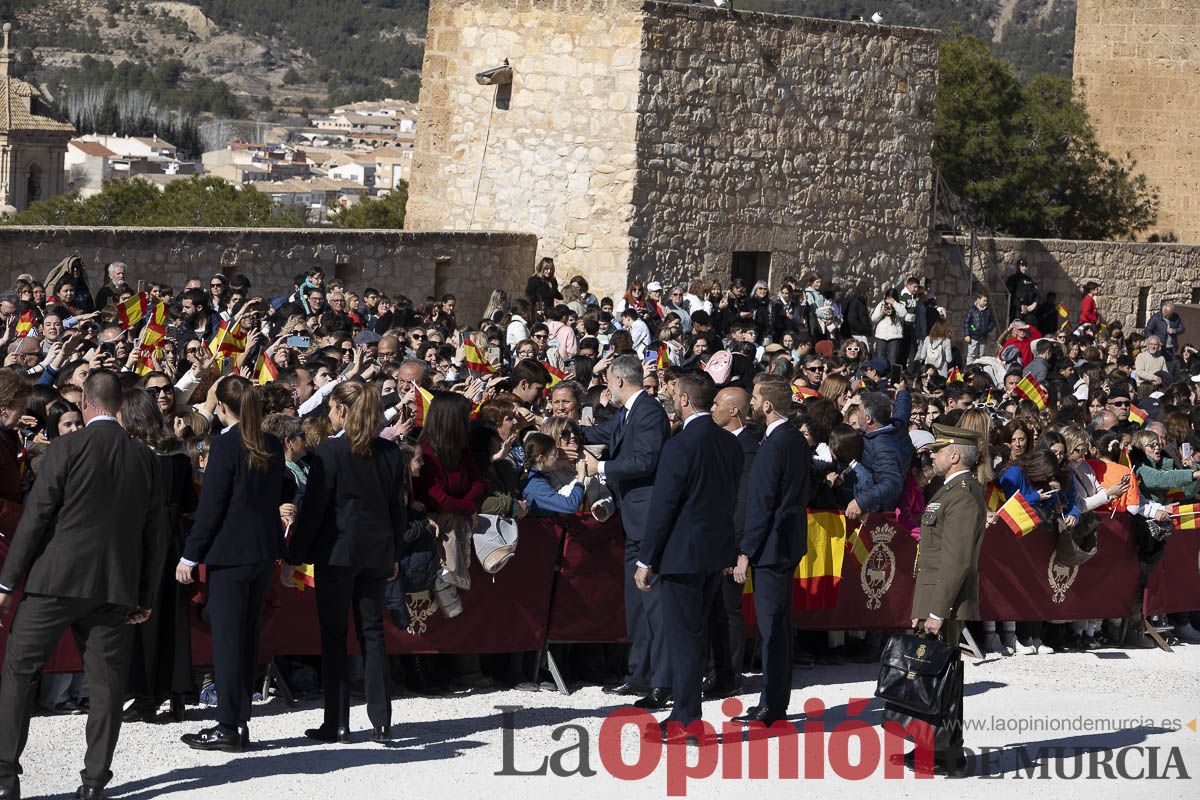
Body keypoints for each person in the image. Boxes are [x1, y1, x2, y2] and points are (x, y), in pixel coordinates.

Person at [0, 370, 168, 800]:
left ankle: (5, 778)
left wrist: (7, 581)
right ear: (120, 407)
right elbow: (155, 532)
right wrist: (144, 595)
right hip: (114, 588)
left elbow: (37, 515)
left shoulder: (67, 447)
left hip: (54, 580)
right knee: (106, 685)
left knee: (19, 673)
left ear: (88, 405)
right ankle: (94, 782)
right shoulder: (146, 458)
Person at [176, 376, 292, 753]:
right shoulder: (272, 443)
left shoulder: (226, 445)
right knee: (245, 639)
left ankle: (228, 725)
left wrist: (190, 554)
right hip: (261, 554)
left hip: (229, 555)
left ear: (223, 408)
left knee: (228, 643)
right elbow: (285, 489)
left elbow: (211, 508)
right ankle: (238, 722)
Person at [285, 381, 405, 744]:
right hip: (375, 553)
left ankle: (337, 722)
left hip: (337, 554)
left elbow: (314, 511)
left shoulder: (329, 452)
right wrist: (394, 553)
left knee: (335, 636)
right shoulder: (390, 452)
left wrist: (293, 557)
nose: (330, 415)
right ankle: (382, 722)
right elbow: (396, 509)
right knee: (372, 633)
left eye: (333, 408)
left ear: (342, 410)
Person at [635, 373, 742, 742]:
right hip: (714, 552)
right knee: (697, 635)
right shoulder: (730, 443)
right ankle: (685, 712)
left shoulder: (679, 446)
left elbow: (663, 507)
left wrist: (645, 559)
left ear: (683, 399)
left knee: (685, 638)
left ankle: (687, 718)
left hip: (682, 555)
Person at [891, 423, 987, 777]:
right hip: (934, 595)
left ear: (956, 455)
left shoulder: (961, 494)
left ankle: (946, 753)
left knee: (941, 678)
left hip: (943, 600)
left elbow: (957, 558)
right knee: (932, 677)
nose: (933, 455)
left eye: (939, 450)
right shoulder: (949, 490)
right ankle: (933, 747)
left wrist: (937, 609)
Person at [582, 355, 670, 704]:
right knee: (636, 603)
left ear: (619, 380)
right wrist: (560, 427)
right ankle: (639, 674)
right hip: (632, 519)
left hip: (647, 518)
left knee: (654, 604)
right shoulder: (629, 412)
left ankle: (662, 681)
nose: (607, 388)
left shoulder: (648, 412)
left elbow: (646, 460)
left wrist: (599, 465)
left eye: (607, 381)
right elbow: (598, 432)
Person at [732, 375, 812, 727]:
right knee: (776, 627)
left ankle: (773, 706)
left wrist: (746, 550)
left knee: (773, 629)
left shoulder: (776, 443)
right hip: (785, 543)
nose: (750, 403)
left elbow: (762, 502)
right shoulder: (793, 439)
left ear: (767, 404)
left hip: (771, 547)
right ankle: (772, 700)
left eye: (755, 398)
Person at [705, 386, 758, 698]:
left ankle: (730, 676)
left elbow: (744, 503)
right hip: (713, 539)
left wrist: (738, 549)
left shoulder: (748, 448)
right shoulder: (720, 443)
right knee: (713, 609)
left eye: (717, 404)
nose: (712, 409)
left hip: (731, 542)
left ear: (734, 410)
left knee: (727, 609)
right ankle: (715, 671)